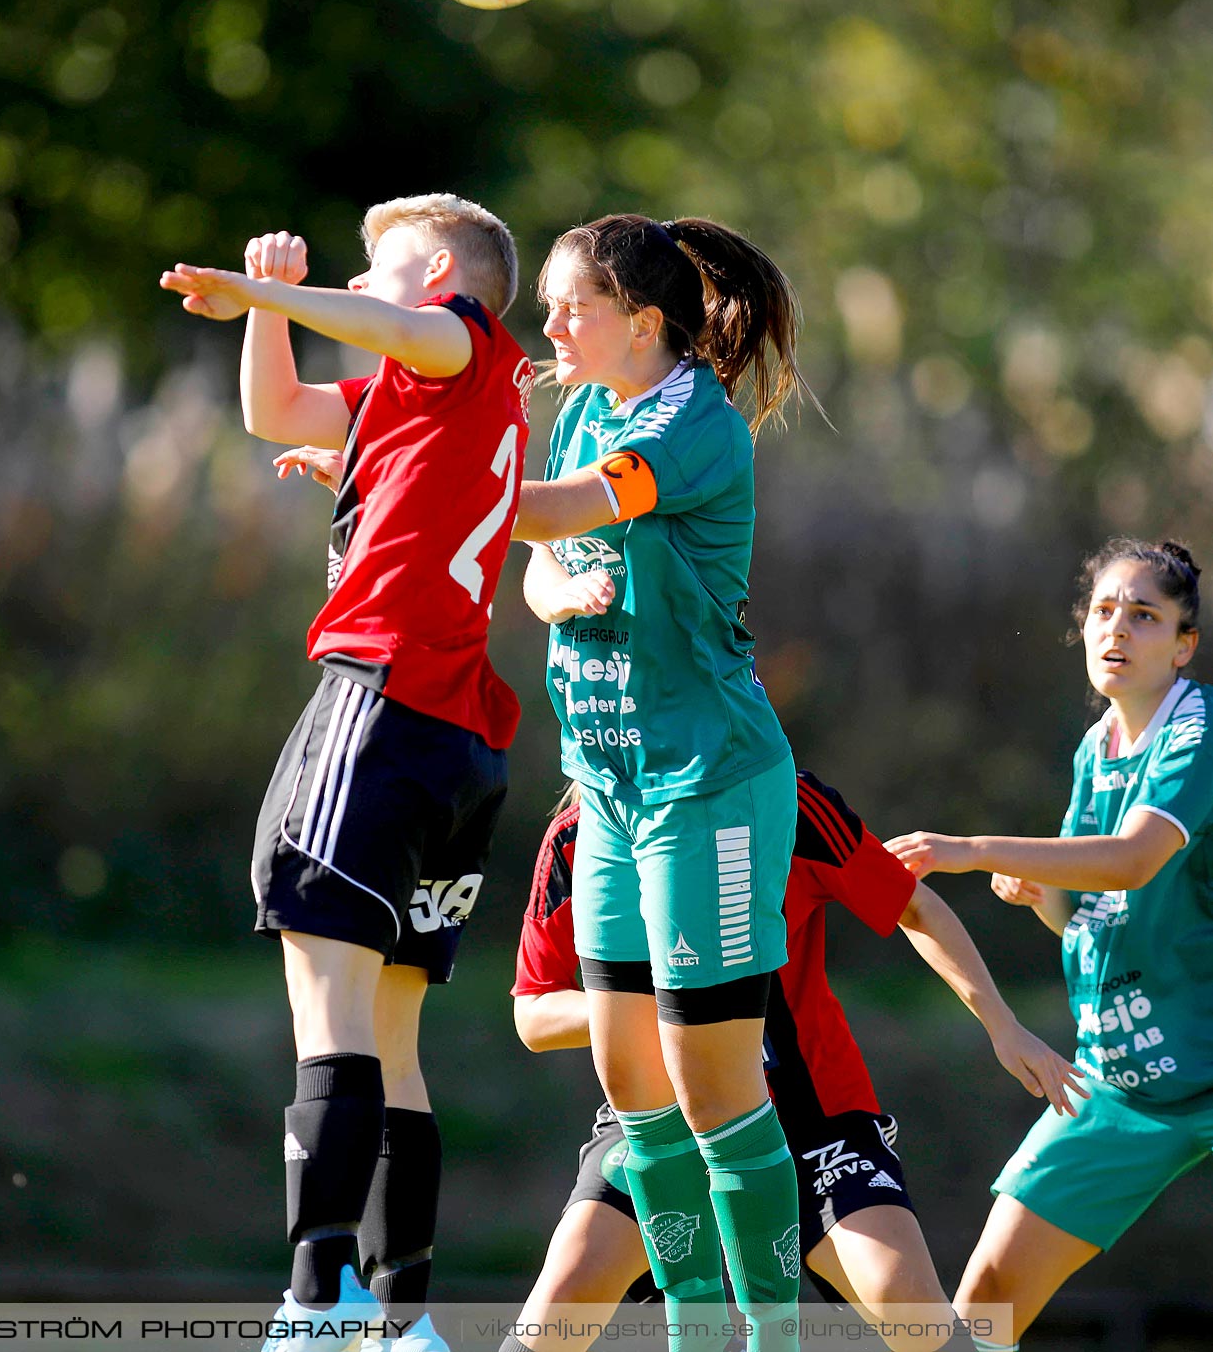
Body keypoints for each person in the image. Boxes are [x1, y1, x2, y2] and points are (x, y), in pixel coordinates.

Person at [160, 196, 537, 1352]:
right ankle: (400, 1319)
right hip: (458, 741)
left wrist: (264, 289)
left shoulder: (464, 339)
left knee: (326, 1015)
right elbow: (271, 405)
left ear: (434, 278)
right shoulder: (427, 393)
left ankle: (316, 1308)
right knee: (392, 1038)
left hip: (382, 713)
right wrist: (261, 319)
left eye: (376, 277)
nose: (362, 297)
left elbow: (413, 332)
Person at [504, 214, 813, 1352]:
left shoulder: (692, 423)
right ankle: (692, 1335)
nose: (549, 325)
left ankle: (770, 1344)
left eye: (569, 305)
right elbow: (546, 560)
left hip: (706, 786)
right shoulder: (592, 404)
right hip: (610, 790)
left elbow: (549, 511)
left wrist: (392, 470)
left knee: (715, 1093)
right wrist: (553, 594)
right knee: (636, 1091)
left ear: (643, 323)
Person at [506, 774, 1084, 1352]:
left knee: (912, 1310)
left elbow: (916, 907)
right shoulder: (579, 836)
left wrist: (1004, 1028)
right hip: (663, 1126)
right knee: (561, 1304)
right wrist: (656, 1012)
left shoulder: (785, 799)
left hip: (813, 1125)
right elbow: (533, 1012)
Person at [886, 538, 1212, 1352]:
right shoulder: (1094, 747)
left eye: (1145, 615)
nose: (1119, 629)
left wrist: (976, 849)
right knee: (988, 1297)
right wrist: (1043, 894)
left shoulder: (1197, 734)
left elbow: (1134, 861)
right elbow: (1081, 917)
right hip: (1122, 1080)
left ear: (1183, 645)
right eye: (1106, 611)